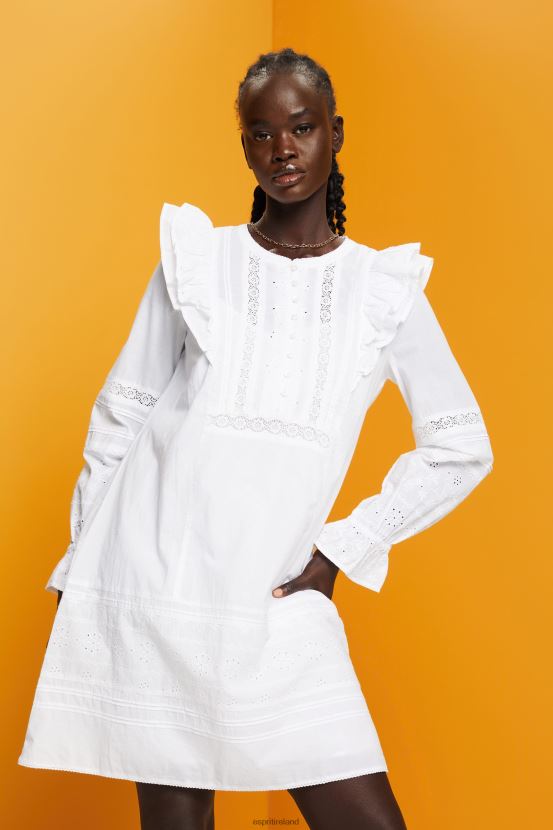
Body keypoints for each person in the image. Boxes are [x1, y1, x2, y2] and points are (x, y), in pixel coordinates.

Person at [18, 48, 493, 830]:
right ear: (244, 146)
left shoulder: (385, 291)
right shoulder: (195, 263)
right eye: (261, 133)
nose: (282, 149)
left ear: (334, 133)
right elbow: (121, 417)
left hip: (272, 598)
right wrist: (81, 561)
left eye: (301, 127)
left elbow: (458, 445)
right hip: (154, 583)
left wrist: (345, 548)